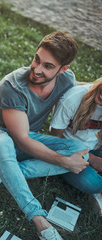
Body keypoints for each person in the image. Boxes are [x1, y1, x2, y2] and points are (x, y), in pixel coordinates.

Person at [0, 31, 88, 240]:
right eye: (36, 59)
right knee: (4, 144)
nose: (37, 69)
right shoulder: (11, 86)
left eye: (48, 66)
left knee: (79, 151)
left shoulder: (66, 80)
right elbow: (21, 140)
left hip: (30, 139)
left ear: (63, 69)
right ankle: (39, 219)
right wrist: (63, 162)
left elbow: (81, 89)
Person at [50, 78, 102, 215]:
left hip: (96, 146)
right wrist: (90, 158)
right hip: (69, 152)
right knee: (92, 183)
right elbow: (56, 140)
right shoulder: (73, 99)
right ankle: (95, 188)